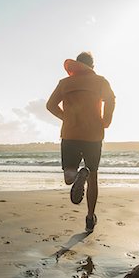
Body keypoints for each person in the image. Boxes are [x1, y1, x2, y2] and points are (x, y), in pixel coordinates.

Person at [46, 51, 115, 232]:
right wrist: (106, 120)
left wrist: (66, 118)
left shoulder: (65, 83)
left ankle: (77, 176)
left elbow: (50, 105)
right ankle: (90, 217)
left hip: (70, 134)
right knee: (93, 176)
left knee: (68, 178)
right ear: (92, 66)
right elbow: (110, 99)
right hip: (93, 135)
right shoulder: (101, 81)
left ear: (76, 65)